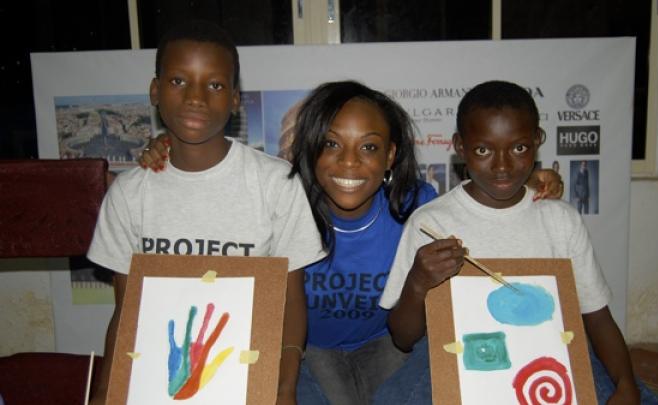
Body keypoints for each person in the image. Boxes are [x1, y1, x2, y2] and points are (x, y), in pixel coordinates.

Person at [139, 80, 564, 404]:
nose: (349, 162)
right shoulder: (280, 200)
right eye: (331, 144)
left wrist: (529, 186)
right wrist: (172, 150)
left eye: (369, 147)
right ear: (309, 147)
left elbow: (487, 207)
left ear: (390, 156)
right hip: (310, 351)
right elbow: (218, 182)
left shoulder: (419, 206)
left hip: (389, 347)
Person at [87, 20, 325, 405]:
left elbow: (291, 302)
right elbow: (127, 312)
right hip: (162, 379)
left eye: (214, 85)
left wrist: (283, 387)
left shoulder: (275, 184)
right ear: (155, 91)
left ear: (234, 99)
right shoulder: (130, 194)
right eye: (179, 81)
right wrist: (106, 391)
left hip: (249, 371)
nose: (196, 97)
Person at [379, 80, 658, 404]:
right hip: (454, 362)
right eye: (483, 150)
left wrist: (625, 385)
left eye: (519, 148)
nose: (502, 165)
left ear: (537, 141)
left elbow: (597, 317)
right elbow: (402, 337)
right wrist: (418, 283)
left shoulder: (560, 220)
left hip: (551, 359)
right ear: (460, 146)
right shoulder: (431, 223)